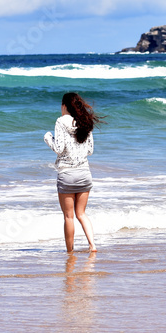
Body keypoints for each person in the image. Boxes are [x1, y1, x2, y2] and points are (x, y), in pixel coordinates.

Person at [44, 92, 101, 253]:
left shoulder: (61, 121)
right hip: (84, 174)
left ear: (64, 106)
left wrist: (48, 137)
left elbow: (59, 148)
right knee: (81, 214)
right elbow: (90, 150)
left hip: (67, 175)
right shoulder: (85, 121)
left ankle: (70, 252)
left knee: (69, 216)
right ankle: (92, 245)